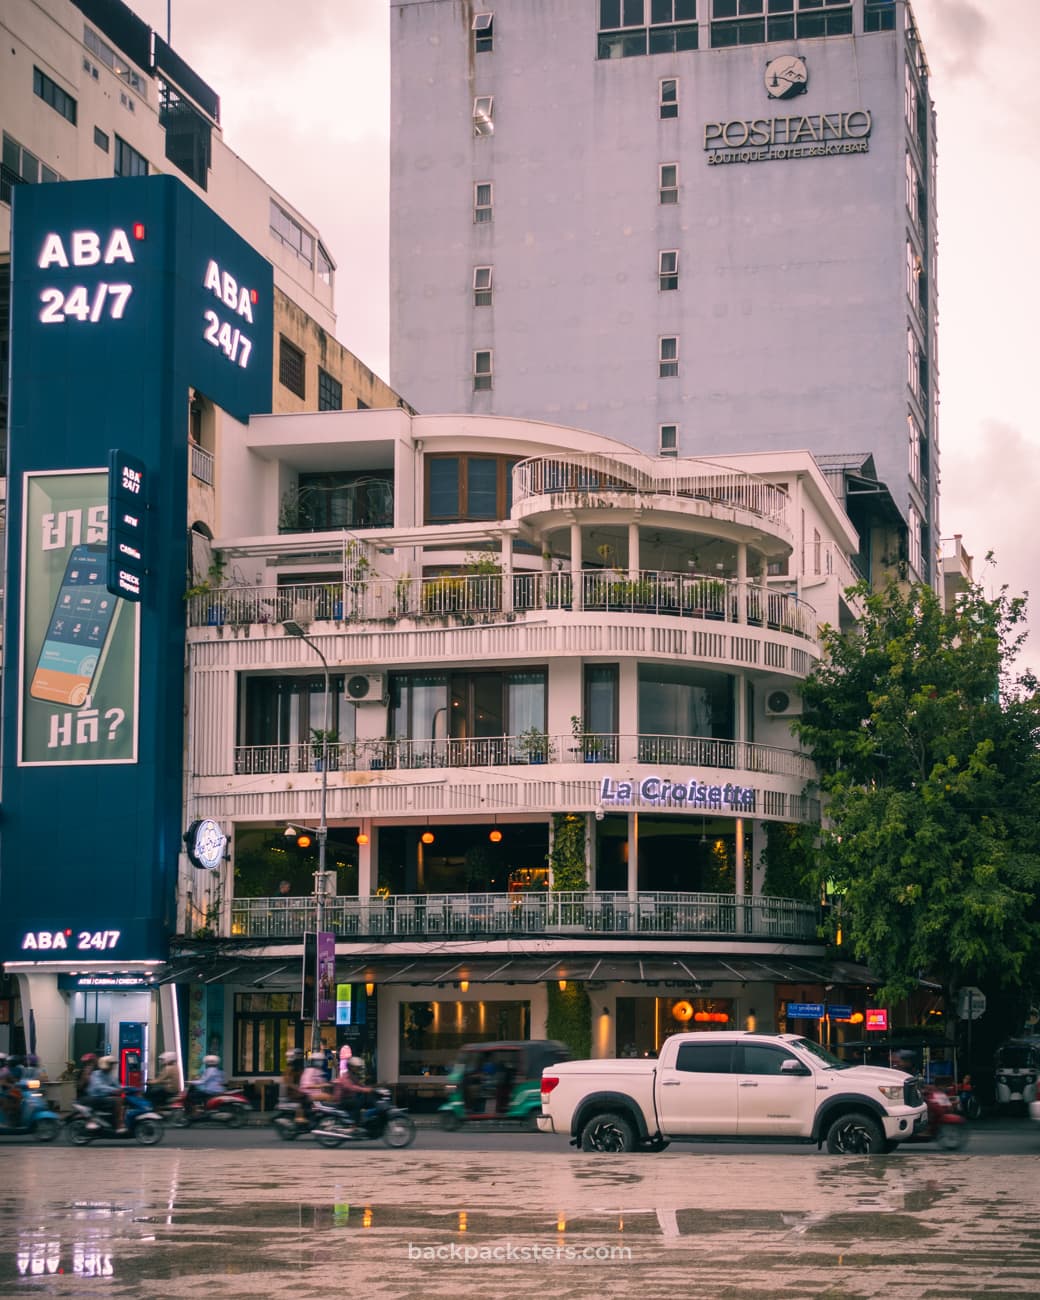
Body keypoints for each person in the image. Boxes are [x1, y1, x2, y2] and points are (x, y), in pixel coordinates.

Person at [85, 1055, 126, 1133]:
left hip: (104, 1098)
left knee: (124, 1100)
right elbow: (99, 1086)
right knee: (118, 1100)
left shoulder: (110, 1076)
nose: (112, 1066)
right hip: (95, 1097)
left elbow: (118, 1085)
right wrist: (114, 1090)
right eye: (110, 1064)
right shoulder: (96, 1074)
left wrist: (131, 1089)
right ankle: (119, 1124)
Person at [332, 1055, 373, 1130]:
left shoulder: (353, 1076)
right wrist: (363, 1090)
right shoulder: (346, 1076)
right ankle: (354, 1125)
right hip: (342, 1100)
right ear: (351, 1067)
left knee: (364, 1100)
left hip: (349, 1098)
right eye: (357, 1067)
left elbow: (359, 1084)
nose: (358, 1069)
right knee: (356, 1103)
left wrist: (369, 1088)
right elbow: (350, 1087)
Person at [279, 1048, 308, 1125]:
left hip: (297, 1089)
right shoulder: (290, 1069)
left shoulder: (299, 1068)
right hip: (292, 1092)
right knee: (303, 1098)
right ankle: (299, 1118)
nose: (300, 1058)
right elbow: (289, 1083)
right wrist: (298, 1088)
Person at [0, 1053, 21, 1127]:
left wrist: (16, 1083)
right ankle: (5, 1121)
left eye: (3, 1061)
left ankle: (13, 1119)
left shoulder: (5, 1070)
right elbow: (2, 1082)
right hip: (2, 1092)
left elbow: (12, 1079)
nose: (2, 1063)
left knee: (17, 1097)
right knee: (6, 1102)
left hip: (4, 1091)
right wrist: (9, 1085)